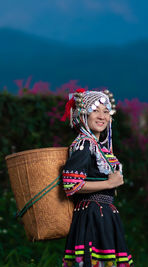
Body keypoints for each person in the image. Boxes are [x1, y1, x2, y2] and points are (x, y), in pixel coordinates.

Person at [60, 88, 133, 267]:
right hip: (92, 216)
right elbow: (71, 185)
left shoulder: (98, 146)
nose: (102, 116)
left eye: (106, 112)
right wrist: (109, 183)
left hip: (102, 214)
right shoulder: (84, 144)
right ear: (83, 114)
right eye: (95, 110)